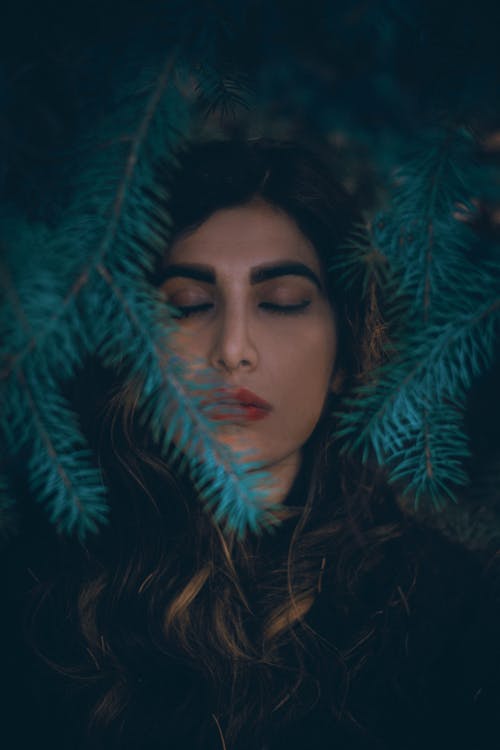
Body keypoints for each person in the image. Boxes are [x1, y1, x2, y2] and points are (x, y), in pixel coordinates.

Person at [4, 138, 500, 750]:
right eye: (187, 306)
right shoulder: (32, 588)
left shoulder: (444, 612)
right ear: (128, 345)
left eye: (281, 303)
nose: (233, 348)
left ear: (344, 353)